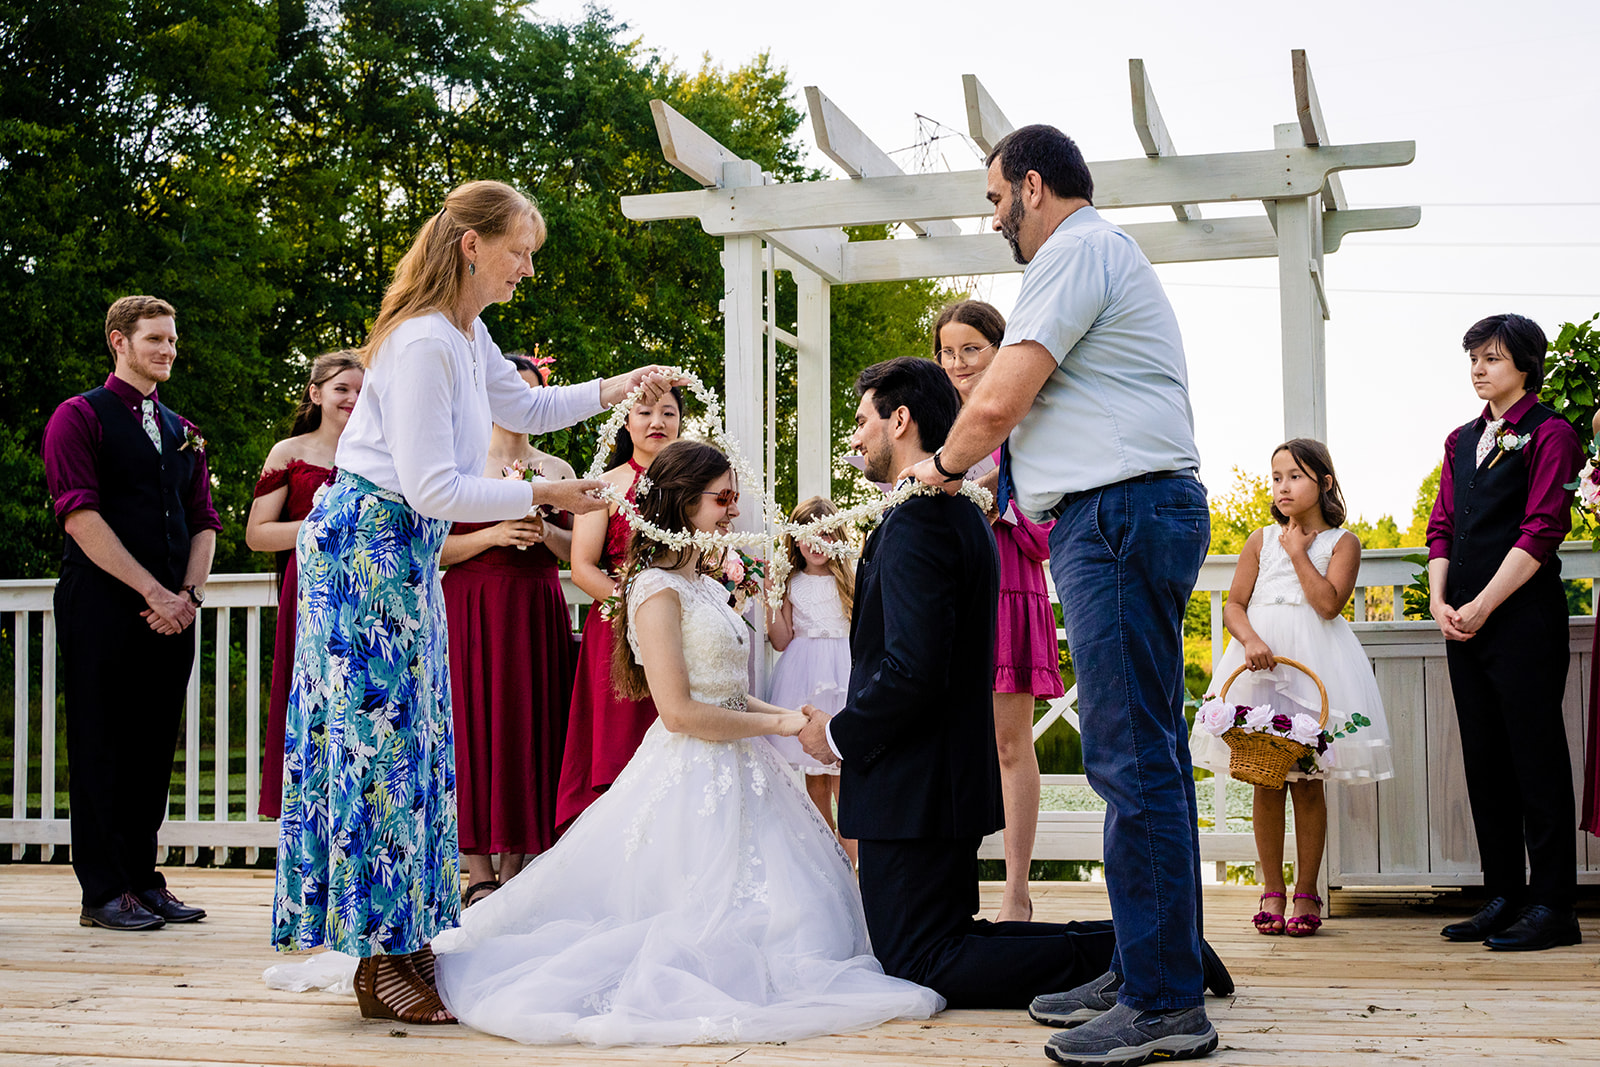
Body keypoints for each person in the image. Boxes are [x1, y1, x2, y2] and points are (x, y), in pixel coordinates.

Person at [269, 178, 679, 1024]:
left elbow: (524, 404)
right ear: (471, 246)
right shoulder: (420, 342)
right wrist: (546, 497)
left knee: (417, 749)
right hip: (368, 548)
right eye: (519, 251)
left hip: (402, 554)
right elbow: (429, 486)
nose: (526, 269)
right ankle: (381, 958)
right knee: (381, 753)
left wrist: (617, 387)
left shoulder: (466, 332)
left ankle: (407, 938)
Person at [431, 440, 942, 1045]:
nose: (732, 510)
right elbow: (678, 712)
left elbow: (726, 693)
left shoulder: (700, 580)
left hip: (745, 765)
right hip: (692, 767)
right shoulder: (653, 587)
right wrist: (785, 728)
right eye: (722, 499)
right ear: (682, 501)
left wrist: (796, 714)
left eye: (733, 498)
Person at [904, 125, 1218, 1065]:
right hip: (1126, 513)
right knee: (1146, 750)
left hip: (1116, 518)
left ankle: (1165, 1003)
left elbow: (999, 400)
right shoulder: (1098, 254)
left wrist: (939, 467)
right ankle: (1146, 966)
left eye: (995, 198)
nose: (994, 217)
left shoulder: (1073, 250)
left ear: (1032, 186)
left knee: (1129, 760)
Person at [798, 359, 1220, 1018]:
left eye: (861, 421)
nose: (854, 440)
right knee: (944, 942)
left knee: (920, 959)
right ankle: (1151, 944)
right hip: (933, 784)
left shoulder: (915, 523)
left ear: (900, 419)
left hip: (911, 786)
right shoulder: (960, 514)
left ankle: (1136, 955)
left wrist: (837, 734)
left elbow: (911, 667)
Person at [42, 294, 217, 931]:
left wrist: (188, 598)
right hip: (103, 607)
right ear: (119, 341)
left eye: (172, 340)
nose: (167, 350)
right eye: (155, 340)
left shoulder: (183, 429)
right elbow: (80, 516)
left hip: (172, 614)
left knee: (151, 748)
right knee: (100, 744)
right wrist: (153, 592)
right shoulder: (77, 416)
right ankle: (104, 892)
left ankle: (144, 880)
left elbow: (205, 522)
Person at [1189, 440, 1394, 937]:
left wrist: (1300, 553)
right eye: (1277, 476)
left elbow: (1327, 605)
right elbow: (1235, 604)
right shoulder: (1259, 539)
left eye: (1295, 476)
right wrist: (1251, 640)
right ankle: (1270, 888)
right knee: (1264, 778)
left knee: (1308, 782)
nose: (1283, 486)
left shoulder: (1343, 543)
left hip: (1313, 666)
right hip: (1259, 665)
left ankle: (1307, 890)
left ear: (1324, 483)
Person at [1427, 313, 1583, 952]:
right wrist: (1440, 600)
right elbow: (1442, 526)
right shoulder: (1460, 440)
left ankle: (1553, 907)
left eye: (1491, 358)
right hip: (1462, 622)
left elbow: (1542, 530)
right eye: (1473, 358)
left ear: (1524, 364)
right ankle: (1503, 896)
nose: (1478, 369)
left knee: (1536, 761)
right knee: (1484, 760)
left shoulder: (1552, 434)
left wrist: (1486, 604)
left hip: (1521, 620)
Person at [932, 299, 1065, 922]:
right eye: (947, 351)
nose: (958, 364)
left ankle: (1016, 890)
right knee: (952, 741)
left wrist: (991, 503)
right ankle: (950, 881)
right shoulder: (935, 424)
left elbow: (1048, 523)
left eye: (972, 350)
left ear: (998, 350)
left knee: (1011, 746)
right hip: (949, 593)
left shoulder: (1026, 418)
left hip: (1009, 585)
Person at [441, 352, 578, 908]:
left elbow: (579, 556)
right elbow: (433, 549)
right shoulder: (458, 463)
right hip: (472, 603)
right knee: (472, 724)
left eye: (530, 393)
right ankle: (477, 870)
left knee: (527, 722)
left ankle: (517, 863)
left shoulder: (559, 472)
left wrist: (545, 534)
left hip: (535, 605)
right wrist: (492, 535)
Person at [553, 386, 682, 832]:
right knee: (619, 745)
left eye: (668, 412)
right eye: (644, 412)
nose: (656, 421)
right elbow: (583, 567)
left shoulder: (696, 484)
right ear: (627, 424)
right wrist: (639, 610)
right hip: (616, 630)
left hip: (684, 631)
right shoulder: (605, 486)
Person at [244, 350, 364, 819]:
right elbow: (257, 534)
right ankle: (308, 811)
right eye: (341, 389)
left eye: (360, 390)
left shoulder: (379, 453)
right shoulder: (289, 453)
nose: (352, 399)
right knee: (314, 701)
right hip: (310, 589)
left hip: (366, 589)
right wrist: (323, 525)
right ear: (316, 394)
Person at [764, 495, 856, 863]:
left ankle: (851, 862)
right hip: (802, 676)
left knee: (841, 770)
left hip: (842, 676)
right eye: (809, 535)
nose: (818, 543)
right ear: (795, 540)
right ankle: (826, 857)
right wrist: (771, 594)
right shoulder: (791, 583)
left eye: (827, 534)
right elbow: (782, 639)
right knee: (813, 774)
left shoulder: (848, 581)